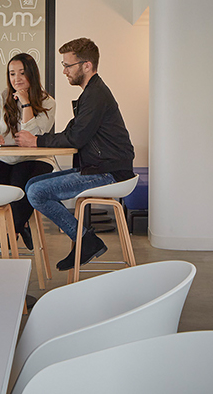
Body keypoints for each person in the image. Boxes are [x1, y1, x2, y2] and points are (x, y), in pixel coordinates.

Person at [17, 37, 135, 271]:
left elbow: (76, 138)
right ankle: (84, 239)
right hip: (99, 167)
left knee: (37, 192)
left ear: (87, 65)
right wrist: (38, 141)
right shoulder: (90, 94)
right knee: (32, 184)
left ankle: (84, 239)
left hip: (109, 172)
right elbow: (73, 131)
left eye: (68, 65)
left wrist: (37, 141)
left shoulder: (96, 95)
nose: (64, 71)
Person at [0, 53, 57, 251]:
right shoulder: (0, 98)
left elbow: (29, 138)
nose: (17, 78)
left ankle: (9, 238)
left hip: (35, 158)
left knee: (21, 184)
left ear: (32, 74)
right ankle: (21, 223)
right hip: (5, 157)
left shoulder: (48, 102)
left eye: (22, 73)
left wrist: (25, 103)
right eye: (12, 73)